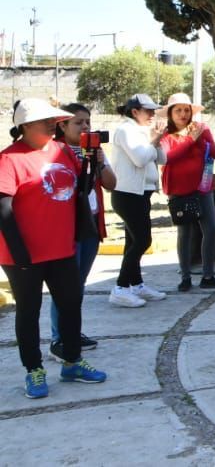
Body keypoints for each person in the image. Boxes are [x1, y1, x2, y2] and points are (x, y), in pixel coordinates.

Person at [1, 99, 108, 398]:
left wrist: (92, 163)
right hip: (24, 254)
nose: (53, 125)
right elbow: (3, 210)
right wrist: (20, 254)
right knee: (28, 311)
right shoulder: (9, 159)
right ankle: (34, 370)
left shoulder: (62, 151)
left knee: (71, 305)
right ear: (25, 125)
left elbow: (80, 188)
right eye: (45, 120)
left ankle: (72, 362)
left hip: (62, 249)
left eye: (53, 120)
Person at [50, 103, 117, 362]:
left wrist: (99, 162)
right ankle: (59, 338)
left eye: (87, 121)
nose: (85, 126)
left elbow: (111, 183)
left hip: (90, 223)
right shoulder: (54, 151)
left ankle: (72, 332)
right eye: (78, 122)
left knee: (78, 284)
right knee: (64, 285)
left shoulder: (94, 149)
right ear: (62, 125)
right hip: (67, 226)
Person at [159, 93, 215, 292]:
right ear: (170, 113)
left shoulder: (201, 128)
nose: (183, 114)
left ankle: (208, 276)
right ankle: (186, 277)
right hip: (179, 190)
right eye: (178, 110)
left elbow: (214, 152)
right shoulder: (165, 135)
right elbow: (169, 157)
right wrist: (190, 140)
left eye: (186, 110)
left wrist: (200, 140)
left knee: (211, 229)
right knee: (185, 233)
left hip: (202, 188)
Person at [108, 93, 169, 308]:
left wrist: (156, 140)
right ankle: (120, 288)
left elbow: (162, 158)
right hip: (128, 194)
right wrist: (154, 140)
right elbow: (141, 159)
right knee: (143, 241)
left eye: (154, 111)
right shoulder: (126, 130)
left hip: (142, 193)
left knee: (132, 241)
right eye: (148, 111)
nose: (153, 115)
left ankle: (136, 284)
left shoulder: (142, 131)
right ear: (135, 112)